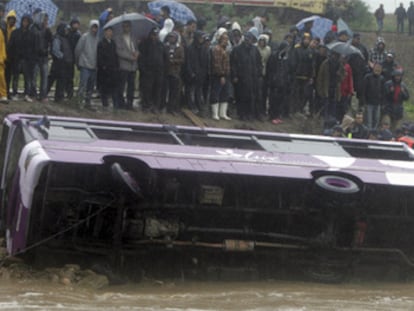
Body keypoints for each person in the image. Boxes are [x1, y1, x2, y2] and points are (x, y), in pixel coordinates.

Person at [230, 31, 262, 120]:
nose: (249, 41)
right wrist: (235, 76)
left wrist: (259, 73)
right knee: (241, 96)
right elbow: (233, 64)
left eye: (251, 39)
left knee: (252, 96)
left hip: (253, 77)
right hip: (241, 77)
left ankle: (250, 114)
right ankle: (241, 114)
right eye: (248, 39)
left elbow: (259, 62)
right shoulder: (237, 49)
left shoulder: (255, 50)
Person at [8, 14, 35, 103]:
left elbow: (33, 47)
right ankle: (14, 93)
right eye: (24, 21)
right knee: (15, 77)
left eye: (27, 21)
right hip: (17, 58)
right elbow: (11, 45)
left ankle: (26, 94)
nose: (25, 23)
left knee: (27, 77)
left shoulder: (31, 34)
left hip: (27, 59)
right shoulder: (15, 32)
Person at [139, 27, 167, 113]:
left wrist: (163, 69)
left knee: (157, 90)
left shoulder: (161, 45)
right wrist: (143, 69)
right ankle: (146, 105)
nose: (155, 37)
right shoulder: (145, 44)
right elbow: (141, 58)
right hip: (148, 71)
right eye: (153, 35)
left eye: (156, 35)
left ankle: (155, 106)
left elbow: (165, 58)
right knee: (147, 89)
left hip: (158, 71)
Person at [75, 19, 99, 110]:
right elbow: (78, 50)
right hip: (84, 65)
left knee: (91, 86)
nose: (94, 30)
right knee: (83, 85)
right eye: (93, 27)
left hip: (94, 66)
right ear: (90, 27)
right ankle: (79, 101)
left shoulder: (98, 38)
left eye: (96, 28)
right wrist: (78, 63)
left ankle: (88, 102)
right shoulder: (84, 37)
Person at [115, 20, 139, 110]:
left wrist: (137, 53)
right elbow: (119, 52)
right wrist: (130, 57)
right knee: (121, 85)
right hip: (123, 65)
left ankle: (130, 104)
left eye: (128, 26)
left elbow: (136, 48)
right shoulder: (118, 38)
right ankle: (120, 103)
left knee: (131, 86)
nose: (126, 28)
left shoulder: (133, 37)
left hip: (133, 66)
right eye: (124, 26)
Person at [31, 11, 52, 102]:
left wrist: (48, 31)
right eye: (44, 20)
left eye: (47, 20)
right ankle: (33, 94)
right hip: (35, 56)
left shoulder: (47, 30)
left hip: (44, 56)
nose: (46, 22)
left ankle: (43, 95)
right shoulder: (34, 28)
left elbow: (51, 40)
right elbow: (36, 38)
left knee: (44, 76)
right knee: (34, 76)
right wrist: (44, 30)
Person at [210, 30, 231, 120]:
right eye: (224, 39)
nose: (226, 41)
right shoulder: (217, 49)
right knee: (216, 93)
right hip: (218, 75)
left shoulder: (225, 50)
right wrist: (221, 75)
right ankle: (215, 113)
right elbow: (217, 63)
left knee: (225, 93)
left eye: (227, 40)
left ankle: (223, 113)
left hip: (225, 75)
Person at [50, 23, 74, 103]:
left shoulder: (66, 38)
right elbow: (55, 50)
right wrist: (63, 57)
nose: (67, 31)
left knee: (62, 81)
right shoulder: (57, 38)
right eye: (66, 30)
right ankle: (44, 94)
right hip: (58, 64)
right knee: (51, 79)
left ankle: (59, 97)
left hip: (64, 64)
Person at [97, 26, 119, 110]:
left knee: (114, 87)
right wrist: (103, 66)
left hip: (113, 69)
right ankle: (105, 104)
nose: (110, 33)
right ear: (105, 32)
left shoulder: (113, 43)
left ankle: (115, 104)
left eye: (111, 31)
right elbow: (99, 56)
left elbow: (115, 55)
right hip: (104, 70)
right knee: (104, 88)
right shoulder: (101, 43)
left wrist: (117, 66)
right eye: (108, 31)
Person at [163, 31, 184, 115]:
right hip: (165, 71)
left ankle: (171, 108)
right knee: (164, 90)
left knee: (174, 91)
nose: (171, 39)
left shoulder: (180, 48)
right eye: (170, 37)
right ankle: (162, 106)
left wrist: (174, 61)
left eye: (173, 37)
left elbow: (182, 59)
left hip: (175, 71)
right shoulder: (165, 46)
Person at [361, 62, 384, 130]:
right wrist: (363, 101)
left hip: (378, 103)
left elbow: (383, 92)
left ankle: (374, 135)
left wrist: (382, 102)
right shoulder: (368, 77)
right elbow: (363, 90)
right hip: (368, 103)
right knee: (369, 121)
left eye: (379, 68)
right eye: (376, 67)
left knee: (376, 120)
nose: (378, 69)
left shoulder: (382, 78)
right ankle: (368, 135)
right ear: (373, 68)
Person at [4, 10, 17, 100]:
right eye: (10, 19)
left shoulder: (15, 31)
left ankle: (7, 92)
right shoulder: (3, 28)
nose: (11, 21)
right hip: (3, 54)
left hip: (10, 56)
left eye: (13, 19)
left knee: (8, 76)